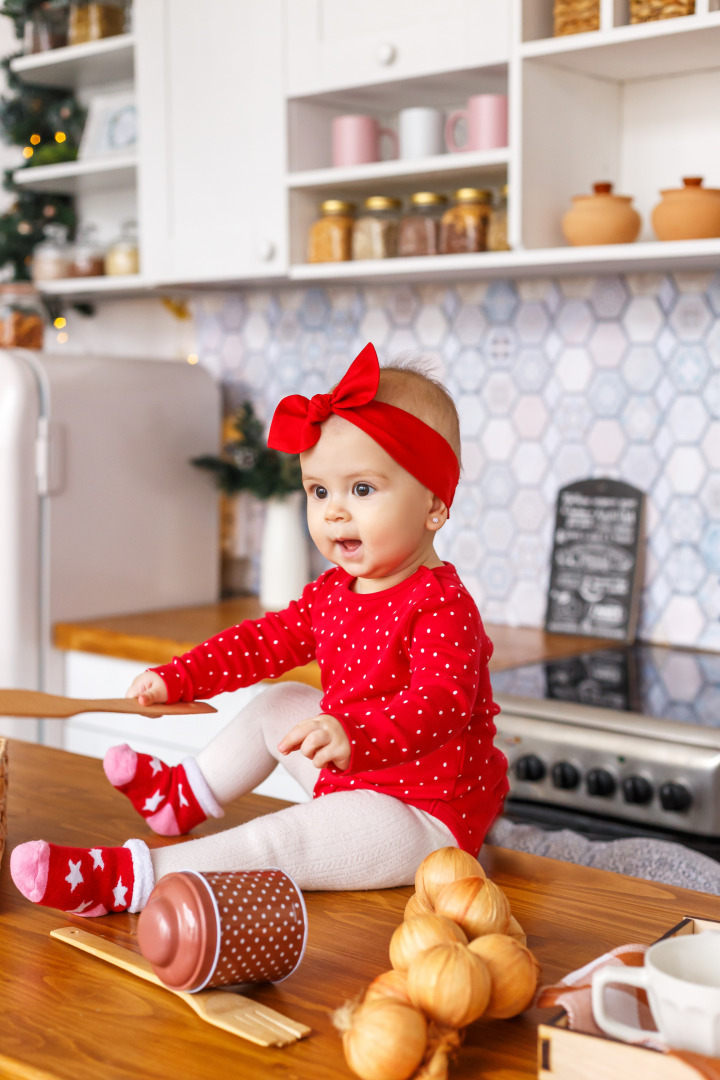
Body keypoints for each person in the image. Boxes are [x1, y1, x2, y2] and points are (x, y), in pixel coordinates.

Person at [10, 342, 509, 917]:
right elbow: (260, 643)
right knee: (283, 701)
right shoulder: (334, 592)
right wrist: (181, 678)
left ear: (434, 507)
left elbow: (441, 703)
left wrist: (354, 733)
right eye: (319, 490)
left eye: (362, 489)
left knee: (284, 839)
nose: (334, 511)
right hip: (356, 770)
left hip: (425, 812)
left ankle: (133, 879)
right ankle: (181, 795)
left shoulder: (442, 606)